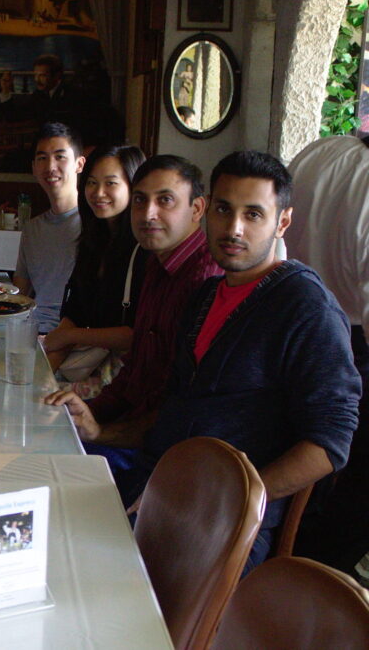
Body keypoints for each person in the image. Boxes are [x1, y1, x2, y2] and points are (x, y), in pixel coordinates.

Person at [114, 151, 359, 570]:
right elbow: (173, 408)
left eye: (254, 214)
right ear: (206, 210)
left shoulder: (305, 307)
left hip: (229, 526)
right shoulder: (204, 297)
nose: (234, 228)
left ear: (282, 222)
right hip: (159, 488)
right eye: (224, 210)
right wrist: (103, 429)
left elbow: (330, 442)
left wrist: (237, 497)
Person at [44, 155, 221, 451]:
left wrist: (102, 433)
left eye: (165, 200)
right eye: (140, 200)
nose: (148, 213)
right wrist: (89, 412)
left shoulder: (204, 281)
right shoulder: (155, 263)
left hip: (160, 450)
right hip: (129, 426)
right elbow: (136, 370)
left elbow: (179, 405)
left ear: (197, 208)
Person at [286, 135, 369, 574]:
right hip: (351, 344)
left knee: (307, 461)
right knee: (350, 482)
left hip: (296, 319)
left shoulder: (324, 149)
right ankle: (314, 577)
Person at [44, 145, 150, 381]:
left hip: (121, 378)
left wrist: (72, 336)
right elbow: (75, 311)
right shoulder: (93, 242)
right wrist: (41, 376)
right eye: (92, 183)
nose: (98, 192)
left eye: (111, 183)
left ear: (134, 188)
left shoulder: (143, 249)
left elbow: (136, 333)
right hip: (85, 369)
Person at [13, 122, 85, 333]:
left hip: (71, 336)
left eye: (60, 156)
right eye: (42, 158)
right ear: (34, 167)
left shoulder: (93, 226)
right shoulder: (32, 228)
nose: (50, 167)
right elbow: (20, 293)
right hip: (31, 330)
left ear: (79, 164)